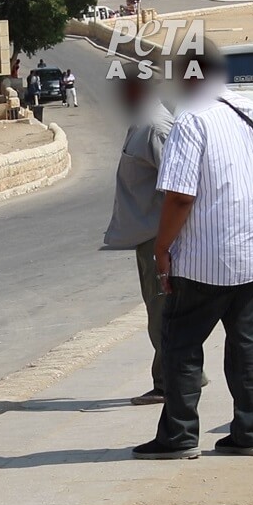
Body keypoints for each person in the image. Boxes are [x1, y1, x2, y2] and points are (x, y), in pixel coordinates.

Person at [133, 41, 253, 460]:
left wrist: (163, 248)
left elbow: (180, 197)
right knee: (248, 346)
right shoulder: (248, 112)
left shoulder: (191, 120)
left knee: (181, 344)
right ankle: (250, 434)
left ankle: (179, 437)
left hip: (204, 259)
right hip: (251, 252)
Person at [103, 63, 176, 405]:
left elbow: (177, 187)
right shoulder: (141, 123)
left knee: (163, 311)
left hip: (157, 237)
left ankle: (171, 382)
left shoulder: (155, 126)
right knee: (157, 310)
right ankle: (176, 376)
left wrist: (166, 244)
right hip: (147, 236)